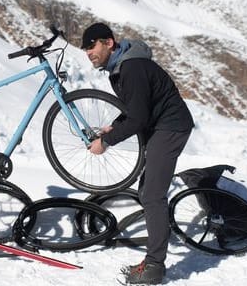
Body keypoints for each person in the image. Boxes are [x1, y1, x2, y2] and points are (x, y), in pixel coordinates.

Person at [81, 22, 194, 285]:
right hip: (160, 126)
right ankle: (153, 258)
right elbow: (137, 106)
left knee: (153, 195)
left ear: (109, 43)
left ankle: (154, 266)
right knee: (147, 193)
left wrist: (106, 141)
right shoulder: (122, 67)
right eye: (85, 48)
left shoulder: (131, 68)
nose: (88, 52)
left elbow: (139, 118)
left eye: (92, 45)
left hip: (170, 128)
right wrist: (117, 124)